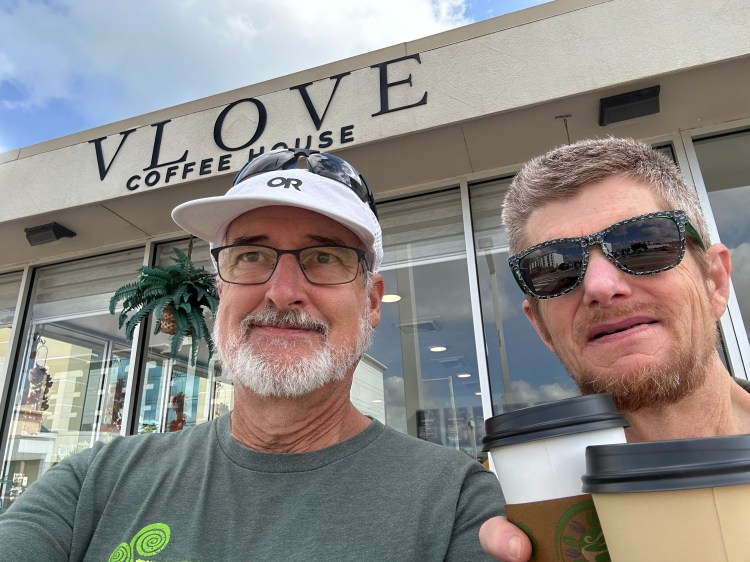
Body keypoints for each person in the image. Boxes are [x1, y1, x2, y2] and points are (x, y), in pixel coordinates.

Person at [0, 148, 504, 560]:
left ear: (371, 301)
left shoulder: (457, 503)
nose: (282, 293)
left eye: (323, 257)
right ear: (221, 289)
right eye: (252, 256)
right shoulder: (95, 483)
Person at [480, 136, 750, 562]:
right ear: (542, 328)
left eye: (641, 244)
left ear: (714, 281)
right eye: (557, 268)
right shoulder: (510, 500)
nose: (601, 287)